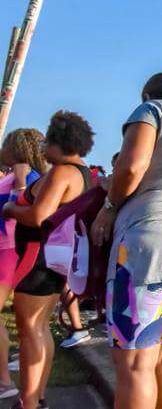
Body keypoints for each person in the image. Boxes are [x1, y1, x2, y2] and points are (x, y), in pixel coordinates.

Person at [90, 71, 162, 409]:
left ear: (148, 95)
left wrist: (109, 205)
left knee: (136, 364)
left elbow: (132, 168)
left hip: (145, 245)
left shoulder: (152, 111)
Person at [3, 112, 91, 409]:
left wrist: (11, 209)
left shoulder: (62, 172)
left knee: (29, 328)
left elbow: (39, 216)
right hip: (55, 256)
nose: (42, 149)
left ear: (59, 142)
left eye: (47, 142)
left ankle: (28, 401)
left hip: (36, 254)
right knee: (39, 327)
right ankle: (36, 397)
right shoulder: (82, 172)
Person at [0, 128, 49, 400]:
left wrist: (18, 180)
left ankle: (5, 383)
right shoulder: (19, 175)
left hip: (7, 251)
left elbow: (20, 212)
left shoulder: (28, 177)